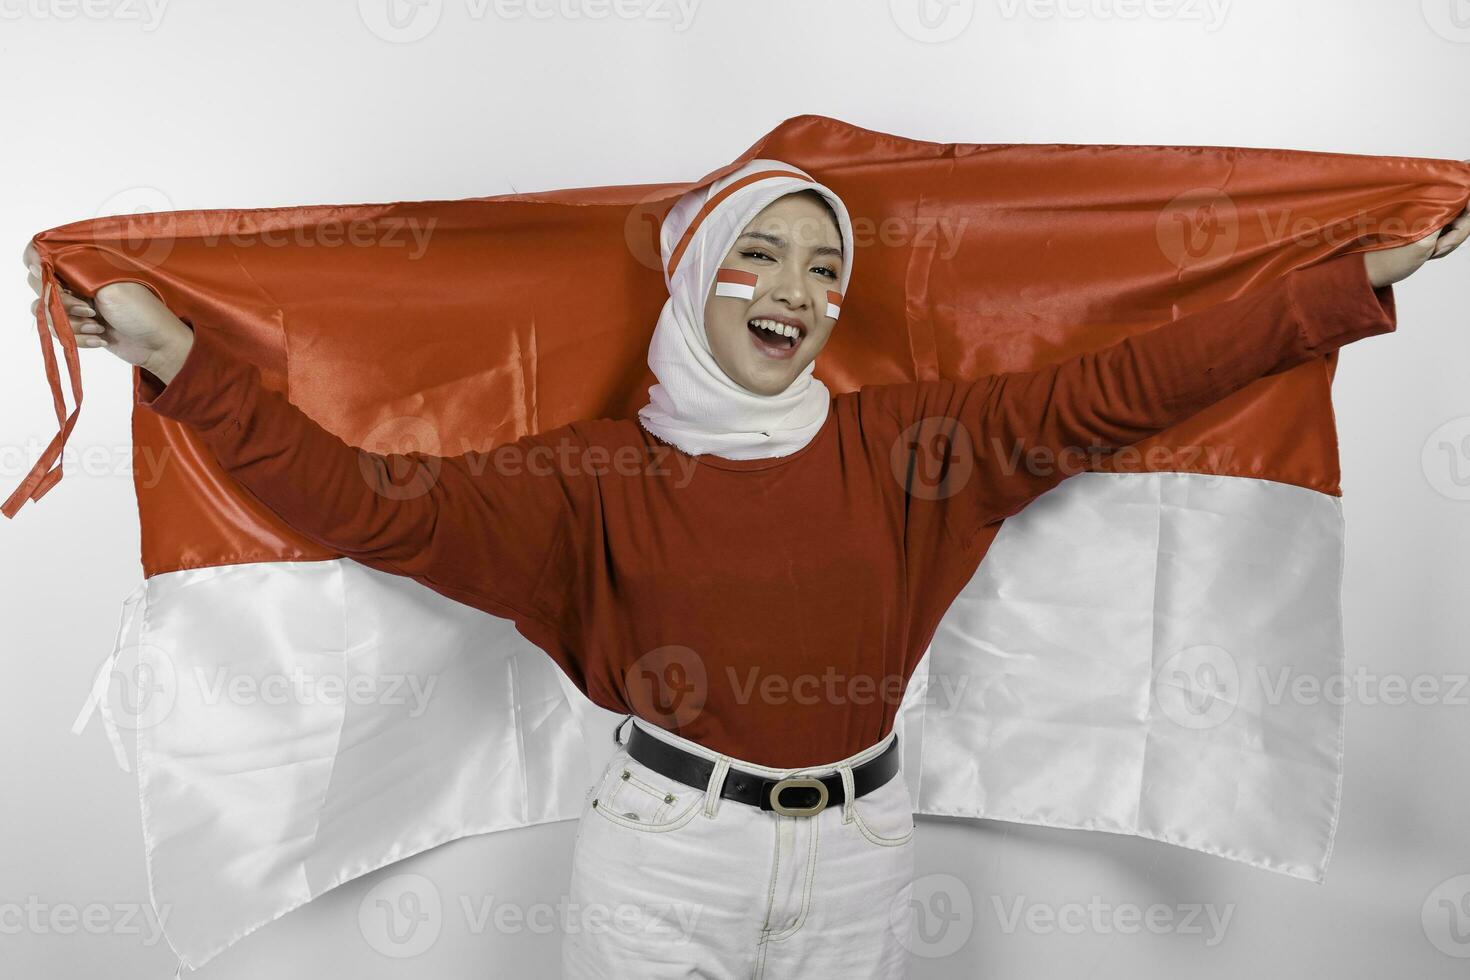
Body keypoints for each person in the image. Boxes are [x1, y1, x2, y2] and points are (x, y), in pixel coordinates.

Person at [23, 159, 1469, 977]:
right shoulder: (589, 483)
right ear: (698, 268)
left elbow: (1129, 383)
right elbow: (363, 505)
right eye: (759, 255)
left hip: (863, 860)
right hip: (663, 865)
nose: (795, 290)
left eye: (822, 268)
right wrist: (184, 364)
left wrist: (1347, 288)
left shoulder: (917, 450)